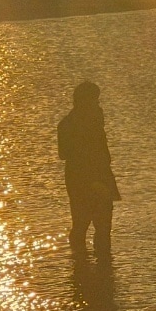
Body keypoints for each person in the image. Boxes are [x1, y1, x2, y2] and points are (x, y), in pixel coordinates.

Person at [57, 81, 121, 257]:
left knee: (91, 226)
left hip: (89, 178)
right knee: (89, 225)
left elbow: (64, 154)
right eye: (95, 100)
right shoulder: (78, 124)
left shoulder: (74, 123)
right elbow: (65, 154)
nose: (98, 105)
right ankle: (87, 263)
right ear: (85, 101)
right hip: (86, 179)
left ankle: (84, 265)